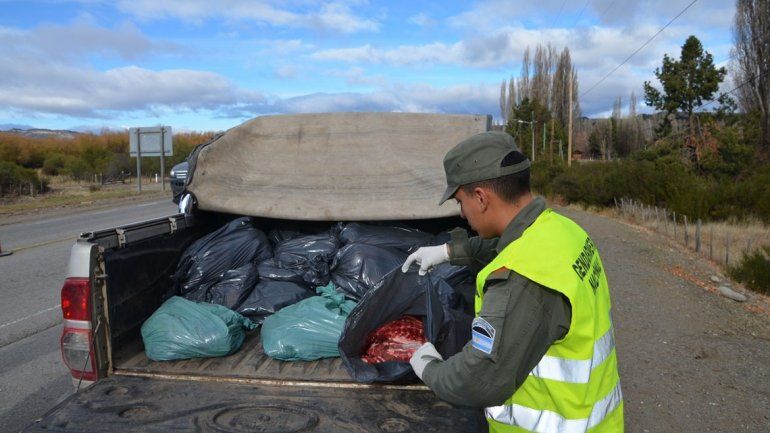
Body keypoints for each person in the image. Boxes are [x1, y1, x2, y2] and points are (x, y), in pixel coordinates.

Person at [401, 131, 623, 432]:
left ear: (481, 198)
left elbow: (477, 378)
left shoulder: (522, 280)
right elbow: (503, 244)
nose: (462, 213)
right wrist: (447, 251)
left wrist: (429, 367)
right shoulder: (562, 231)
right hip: (590, 414)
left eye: (460, 202)